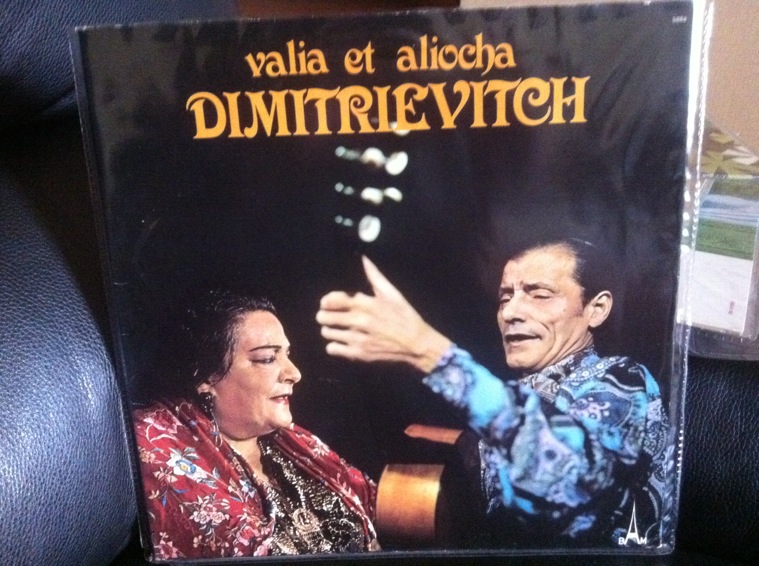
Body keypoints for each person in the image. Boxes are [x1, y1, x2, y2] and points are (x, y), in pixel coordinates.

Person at [316, 240, 670, 548]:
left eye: (540, 295)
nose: (511, 312)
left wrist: (431, 354)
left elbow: (571, 481)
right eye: (505, 297)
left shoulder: (624, 381)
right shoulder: (514, 395)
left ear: (596, 308)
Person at [133, 291, 379, 559]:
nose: (294, 374)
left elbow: (384, 508)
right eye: (267, 359)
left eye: (287, 355)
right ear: (206, 375)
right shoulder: (154, 448)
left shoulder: (296, 445)